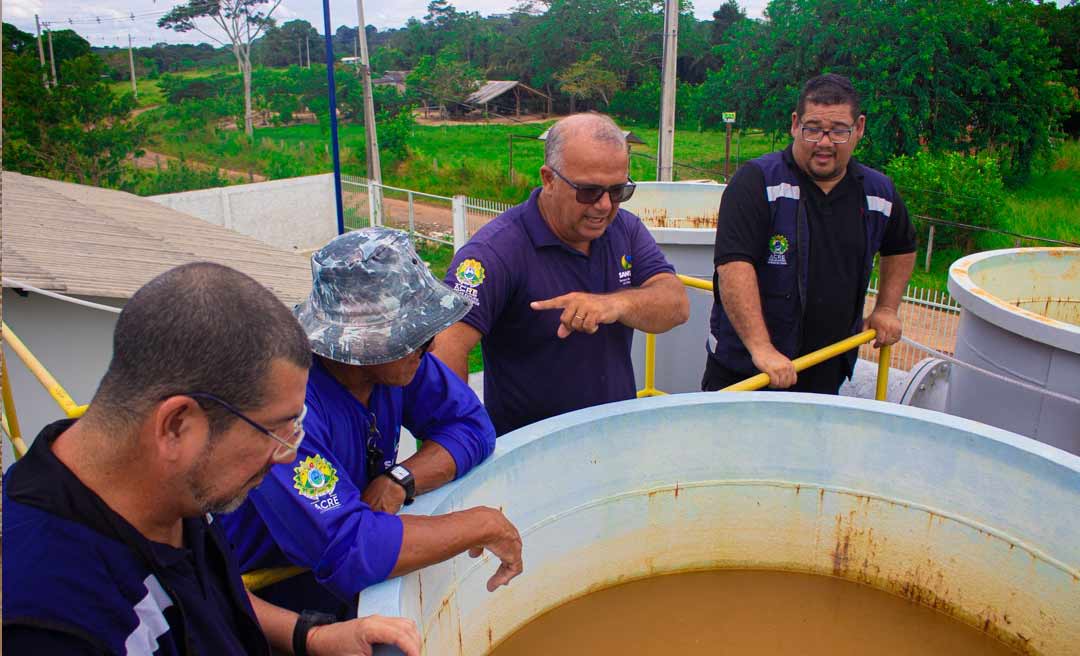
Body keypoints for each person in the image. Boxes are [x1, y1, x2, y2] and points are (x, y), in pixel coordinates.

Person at [2, 262, 420, 656]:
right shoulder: (49, 621)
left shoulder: (164, 490)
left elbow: (204, 595)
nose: (287, 454)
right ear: (177, 424)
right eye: (274, 430)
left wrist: (310, 636)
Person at [220, 228, 522, 618]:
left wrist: (400, 479)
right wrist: (481, 524)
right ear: (363, 342)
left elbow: (472, 426)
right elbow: (348, 550)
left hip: (346, 600)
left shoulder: (398, 366)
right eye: (413, 336)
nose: (429, 345)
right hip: (270, 609)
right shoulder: (283, 409)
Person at [432, 113, 690, 435]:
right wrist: (463, 436)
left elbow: (676, 305)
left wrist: (615, 305)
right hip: (532, 453)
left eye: (619, 191)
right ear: (549, 179)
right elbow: (445, 348)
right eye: (589, 191)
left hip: (614, 437)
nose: (604, 206)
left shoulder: (624, 229)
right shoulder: (495, 252)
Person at [703, 74, 917, 393]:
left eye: (838, 131)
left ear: (858, 128)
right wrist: (762, 349)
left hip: (826, 372)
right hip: (748, 374)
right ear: (795, 124)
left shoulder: (877, 193)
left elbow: (901, 246)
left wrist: (887, 308)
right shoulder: (758, 183)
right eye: (813, 129)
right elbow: (734, 266)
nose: (825, 143)